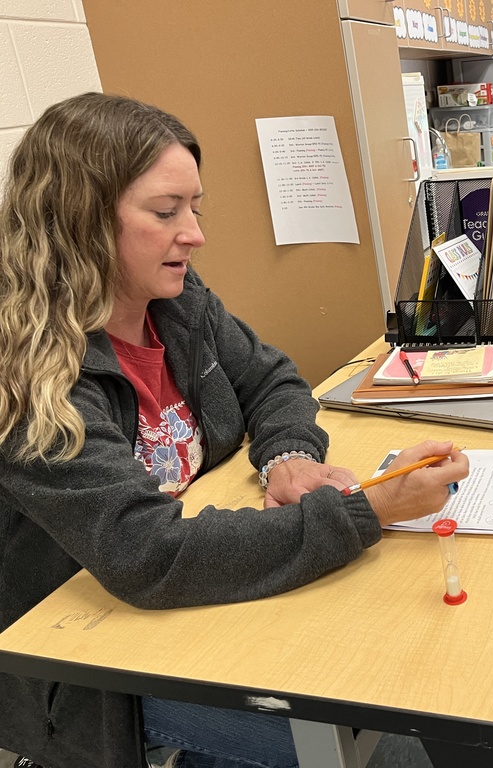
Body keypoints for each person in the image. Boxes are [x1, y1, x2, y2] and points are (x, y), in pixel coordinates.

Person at [0, 92, 469, 768]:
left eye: (195, 208)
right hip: (101, 675)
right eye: (166, 213)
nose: (193, 233)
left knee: (411, 671)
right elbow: (144, 554)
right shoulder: (30, 377)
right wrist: (369, 512)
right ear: (81, 222)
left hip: (207, 597)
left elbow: (274, 381)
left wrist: (286, 456)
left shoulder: (180, 302)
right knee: (387, 742)